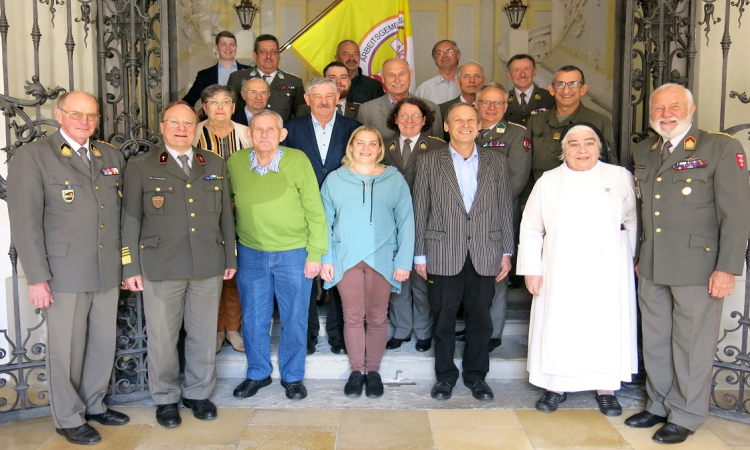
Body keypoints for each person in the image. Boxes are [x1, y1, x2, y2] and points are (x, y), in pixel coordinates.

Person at [625, 84, 750, 444]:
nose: (666, 113)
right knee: (657, 340)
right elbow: (643, 209)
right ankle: (660, 404)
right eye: (659, 108)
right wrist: (638, 254)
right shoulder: (644, 150)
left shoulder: (721, 147)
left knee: (692, 343)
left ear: (691, 109)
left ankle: (687, 414)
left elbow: (737, 213)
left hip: (699, 266)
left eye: (674, 106)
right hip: (651, 263)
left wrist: (727, 268)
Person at [7, 91, 130, 445]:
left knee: (102, 343)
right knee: (67, 349)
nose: (85, 121)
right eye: (77, 114)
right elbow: (25, 223)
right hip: (63, 273)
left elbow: (115, 216)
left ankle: (93, 403)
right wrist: (37, 278)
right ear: (59, 115)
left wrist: (123, 266)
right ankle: (67, 417)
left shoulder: (108, 154)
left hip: (106, 268)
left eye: (91, 115)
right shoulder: (33, 156)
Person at [121, 101, 237, 429]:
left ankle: (198, 394)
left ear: (196, 127)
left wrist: (230, 256)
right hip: (160, 264)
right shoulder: (141, 165)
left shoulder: (213, 162)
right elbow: (129, 219)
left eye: (188, 123)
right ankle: (166, 398)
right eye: (174, 122)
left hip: (207, 263)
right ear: (162, 126)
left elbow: (225, 215)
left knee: (202, 335)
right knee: (162, 337)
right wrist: (129, 266)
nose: (182, 128)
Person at [517, 123, 638, 416]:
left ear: (599, 147)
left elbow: (634, 220)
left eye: (589, 143)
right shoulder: (548, 180)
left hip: (607, 270)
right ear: (563, 150)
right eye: (574, 144)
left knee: (604, 326)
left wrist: (631, 259)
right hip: (560, 269)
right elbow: (531, 227)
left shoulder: (619, 177)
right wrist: (532, 269)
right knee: (560, 324)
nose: (582, 149)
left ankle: (606, 388)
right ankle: (555, 386)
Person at [413, 103, 514, 402]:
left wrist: (507, 251)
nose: (465, 125)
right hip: (442, 251)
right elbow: (421, 209)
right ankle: (445, 377)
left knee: (481, 319)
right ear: (446, 126)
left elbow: (504, 208)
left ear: (479, 125)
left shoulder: (496, 161)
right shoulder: (429, 161)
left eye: (471, 120)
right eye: (458, 120)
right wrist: (420, 254)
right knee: (443, 318)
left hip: (486, 250)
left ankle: (476, 376)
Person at [229, 110, 328, 401]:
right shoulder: (235, 164)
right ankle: (257, 373)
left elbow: (315, 210)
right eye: (258, 129)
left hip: (294, 252)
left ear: (282, 134)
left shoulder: (297, 160)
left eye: (270, 129)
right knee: (255, 317)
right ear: (249, 134)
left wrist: (316, 254)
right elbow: (228, 205)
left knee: (294, 317)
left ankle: (293, 376)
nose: (263, 134)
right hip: (251, 252)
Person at [320, 126, 415, 398]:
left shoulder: (394, 179)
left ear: (379, 149)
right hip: (345, 257)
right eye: (359, 143)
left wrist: (404, 261)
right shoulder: (335, 180)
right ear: (350, 147)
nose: (365, 148)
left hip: (384, 257)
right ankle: (356, 371)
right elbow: (324, 222)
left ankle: (372, 371)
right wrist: (326, 258)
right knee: (352, 317)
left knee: (376, 317)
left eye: (372, 143)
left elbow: (406, 222)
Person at [282, 77, 361, 355]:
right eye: (318, 96)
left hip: (343, 212)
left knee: (340, 272)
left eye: (330, 95)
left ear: (337, 96)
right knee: (305, 274)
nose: (325, 101)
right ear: (307, 99)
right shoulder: (290, 130)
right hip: (301, 212)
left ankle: (339, 336)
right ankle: (308, 334)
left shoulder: (354, 129)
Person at [193, 84, 250, 354]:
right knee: (213, 271)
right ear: (204, 107)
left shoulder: (246, 134)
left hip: (241, 212)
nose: (219, 107)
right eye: (213, 102)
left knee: (235, 270)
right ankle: (216, 329)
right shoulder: (192, 134)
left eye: (225, 102)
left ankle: (232, 328)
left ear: (234, 107)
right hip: (205, 213)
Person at [382, 98, 443, 352]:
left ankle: (423, 330)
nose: (409, 120)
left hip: (425, 220)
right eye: (403, 115)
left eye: (415, 116)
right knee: (398, 278)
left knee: (421, 278)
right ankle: (403, 329)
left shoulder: (439, 147)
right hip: (391, 222)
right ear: (395, 119)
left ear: (424, 120)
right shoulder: (382, 147)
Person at [475, 82, 532, 351]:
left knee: (496, 274)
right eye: (486, 102)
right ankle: (477, 326)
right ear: (477, 104)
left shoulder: (516, 134)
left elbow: (516, 180)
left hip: (498, 214)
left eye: (498, 103)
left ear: (506, 106)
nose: (491, 107)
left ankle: (494, 332)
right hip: (465, 217)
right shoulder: (468, 129)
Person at [527, 65, 617, 180]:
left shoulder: (600, 122)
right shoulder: (536, 122)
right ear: (551, 89)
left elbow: (610, 167)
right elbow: (525, 167)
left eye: (573, 84)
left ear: (583, 89)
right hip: (543, 193)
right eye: (560, 84)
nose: (566, 90)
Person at [357, 58, 443, 143]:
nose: (397, 80)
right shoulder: (367, 111)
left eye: (402, 74)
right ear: (383, 78)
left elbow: (439, 149)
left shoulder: (432, 108)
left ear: (411, 75)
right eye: (391, 75)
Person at [227, 34, 304, 123]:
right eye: (263, 52)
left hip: (282, 134)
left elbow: (300, 118)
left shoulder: (294, 82)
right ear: (255, 54)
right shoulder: (237, 78)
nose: (268, 56)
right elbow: (229, 111)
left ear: (279, 55)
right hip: (245, 132)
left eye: (273, 52)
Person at [183, 31, 251, 106]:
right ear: (216, 47)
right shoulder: (204, 76)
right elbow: (188, 101)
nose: (228, 48)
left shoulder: (249, 71)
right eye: (223, 44)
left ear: (236, 47)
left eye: (232, 44)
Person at [438, 61, 486, 140]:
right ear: (457, 82)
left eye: (477, 76)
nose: (472, 80)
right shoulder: (442, 110)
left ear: (483, 81)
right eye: (466, 77)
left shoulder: (491, 109)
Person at [503, 54, 554, 126]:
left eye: (527, 69)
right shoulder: (502, 99)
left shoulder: (550, 98)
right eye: (517, 71)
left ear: (534, 72)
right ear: (509, 75)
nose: (522, 75)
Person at [335, 39, 385, 104]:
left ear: (359, 57)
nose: (351, 58)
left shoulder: (374, 87)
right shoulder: (326, 85)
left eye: (355, 54)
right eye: (346, 54)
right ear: (337, 58)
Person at [415, 40, 461, 104]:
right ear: (434, 59)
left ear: (458, 56)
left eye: (449, 52)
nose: (444, 55)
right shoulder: (423, 89)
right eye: (439, 53)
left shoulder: (469, 85)